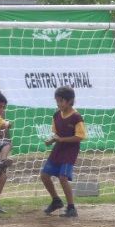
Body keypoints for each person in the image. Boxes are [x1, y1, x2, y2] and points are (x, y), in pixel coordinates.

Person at [42, 86, 86, 218]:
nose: (58, 104)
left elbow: (80, 137)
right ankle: (56, 200)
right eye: (57, 101)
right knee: (44, 175)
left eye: (61, 101)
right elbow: (56, 134)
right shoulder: (56, 115)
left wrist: (61, 139)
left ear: (70, 101)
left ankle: (71, 208)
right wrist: (51, 140)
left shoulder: (76, 117)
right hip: (58, 149)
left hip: (70, 151)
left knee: (63, 178)